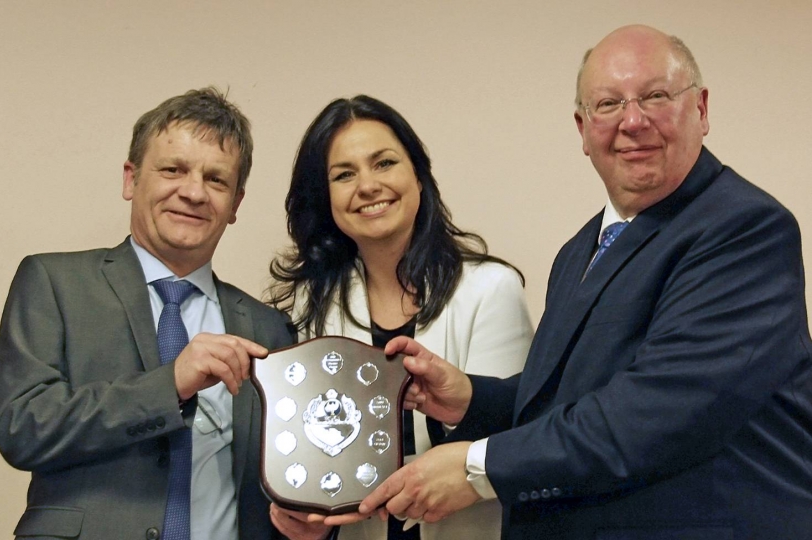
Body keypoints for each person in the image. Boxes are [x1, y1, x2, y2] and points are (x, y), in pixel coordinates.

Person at [322, 25, 812, 539]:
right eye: (607, 104)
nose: (632, 121)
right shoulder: (581, 250)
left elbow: (656, 411)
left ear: (702, 109)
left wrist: (478, 467)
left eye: (655, 96)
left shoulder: (744, 229)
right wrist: (469, 397)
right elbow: (570, 399)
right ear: (582, 128)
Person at [0, 87, 294, 540]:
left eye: (216, 180)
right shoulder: (53, 282)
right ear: (131, 179)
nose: (193, 192)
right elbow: (22, 427)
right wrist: (170, 384)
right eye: (173, 169)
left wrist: (305, 522)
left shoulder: (268, 327)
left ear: (235, 204)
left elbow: (283, 478)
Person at [266, 95, 534, 540]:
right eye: (344, 174)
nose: (367, 186)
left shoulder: (492, 289)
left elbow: (520, 436)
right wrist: (305, 518)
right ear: (326, 197)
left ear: (418, 176)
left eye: (384, 163)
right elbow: (311, 452)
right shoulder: (310, 304)